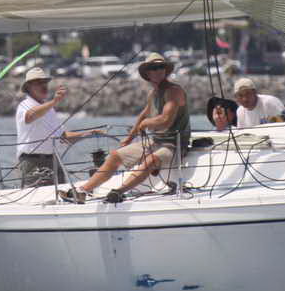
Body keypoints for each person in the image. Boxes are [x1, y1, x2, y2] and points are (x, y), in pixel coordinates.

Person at [62, 53, 190, 204]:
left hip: (175, 145)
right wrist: (129, 138)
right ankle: (83, 191)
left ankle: (118, 192)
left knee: (151, 160)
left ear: (166, 70)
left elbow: (165, 120)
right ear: (147, 73)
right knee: (115, 156)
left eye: (161, 67)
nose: (158, 70)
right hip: (156, 142)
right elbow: (143, 115)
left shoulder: (174, 91)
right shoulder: (153, 94)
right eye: (153, 68)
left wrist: (146, 123)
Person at [15, 67, 101, 187]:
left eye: (45, 82)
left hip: (53, 160)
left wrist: (89, 134)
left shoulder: (49, 109)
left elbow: (63, 136)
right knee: (37, 195)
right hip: (31, 161)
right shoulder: (24, 105)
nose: (43, 85)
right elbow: (30, 116)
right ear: (29, 87)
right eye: (39, 83)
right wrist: (54, 101)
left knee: (62, 192)